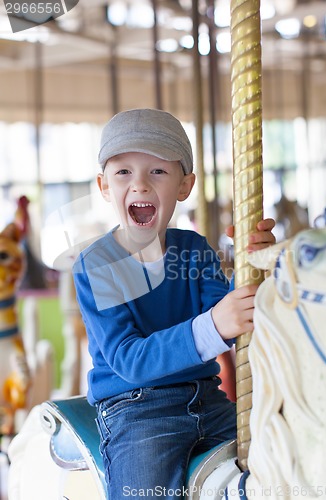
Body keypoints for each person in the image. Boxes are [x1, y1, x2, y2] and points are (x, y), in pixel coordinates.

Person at [72, 108, 276, 499]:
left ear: (185, 185)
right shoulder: (97, 264)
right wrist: (215, 324)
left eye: (158, 172)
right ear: (103, 186)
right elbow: (129, 360)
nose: (141, 185)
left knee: (281, 457)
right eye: (123, 172)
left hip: (207, 398)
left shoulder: (194, 250)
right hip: (136, 412)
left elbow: (228, 316)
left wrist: (253, 266)